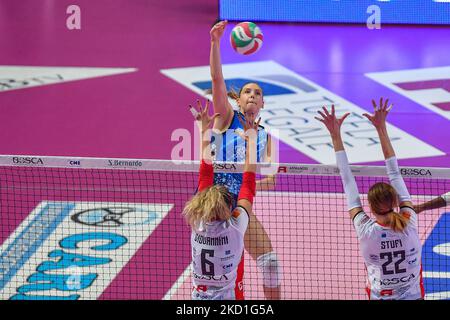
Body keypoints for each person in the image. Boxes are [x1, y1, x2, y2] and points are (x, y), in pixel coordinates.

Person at [316, 98, 424, 300]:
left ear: (371, 208)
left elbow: (346, 178)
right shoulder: (409, 222)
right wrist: (381, 127)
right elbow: (395, 173)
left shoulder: (366, 231)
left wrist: (335, 134)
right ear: (395, 203)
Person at [208, 20, 281, 299]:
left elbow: (271, 181)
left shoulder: (266, 137)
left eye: (258, 93)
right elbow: (217, 80)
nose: (253, 95)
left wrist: (246, 187)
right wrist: (215, 42)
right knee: (225, 268)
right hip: (211, 204)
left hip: (241, 207)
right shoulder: (227, 118)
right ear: (239, 101)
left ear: (262, 104)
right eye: (248, 91)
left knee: (271, 264)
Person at [183, 100, 258, 300]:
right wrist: (252, 139)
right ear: (228, 208)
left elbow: (206, 174)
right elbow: (248, 182)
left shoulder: (198, 222)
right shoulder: (235, 228)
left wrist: (203, 131)